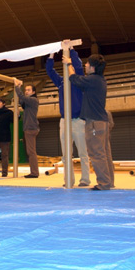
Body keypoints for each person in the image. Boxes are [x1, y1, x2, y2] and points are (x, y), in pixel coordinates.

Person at [64, 54, 113, 191]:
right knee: (104, 154)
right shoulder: (100, 80)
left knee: (96, 154)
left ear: (92, 67)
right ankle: (109, 182)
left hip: (94, 123)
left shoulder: (93, 80)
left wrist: (68, 64)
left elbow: (73, 78)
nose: (85, 66)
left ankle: (104, 184)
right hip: (101, 122)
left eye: (87, 64)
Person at [46, 44, 90, 187]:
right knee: (66, 156)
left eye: (68, 65)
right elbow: (49, 70)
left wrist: (71, 50)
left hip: (78, 121)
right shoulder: (61, 82)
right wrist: (52, 55)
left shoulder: (78, 79)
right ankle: (68, 180)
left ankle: (85, 179)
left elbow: (78, 65)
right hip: (65, 121)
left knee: (83, 153)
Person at [14, 78, 40, 178]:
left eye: (28, 90)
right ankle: (34, 172)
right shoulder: (29, 103)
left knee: (31, 151)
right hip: (29, 127)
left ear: (33, 92)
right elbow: (21, 101)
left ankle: (34, 173)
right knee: (30, 151)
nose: (26, 91)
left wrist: (17, 86)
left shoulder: (33, 100)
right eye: (26, 90)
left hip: (31, 128)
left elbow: (21, 96)